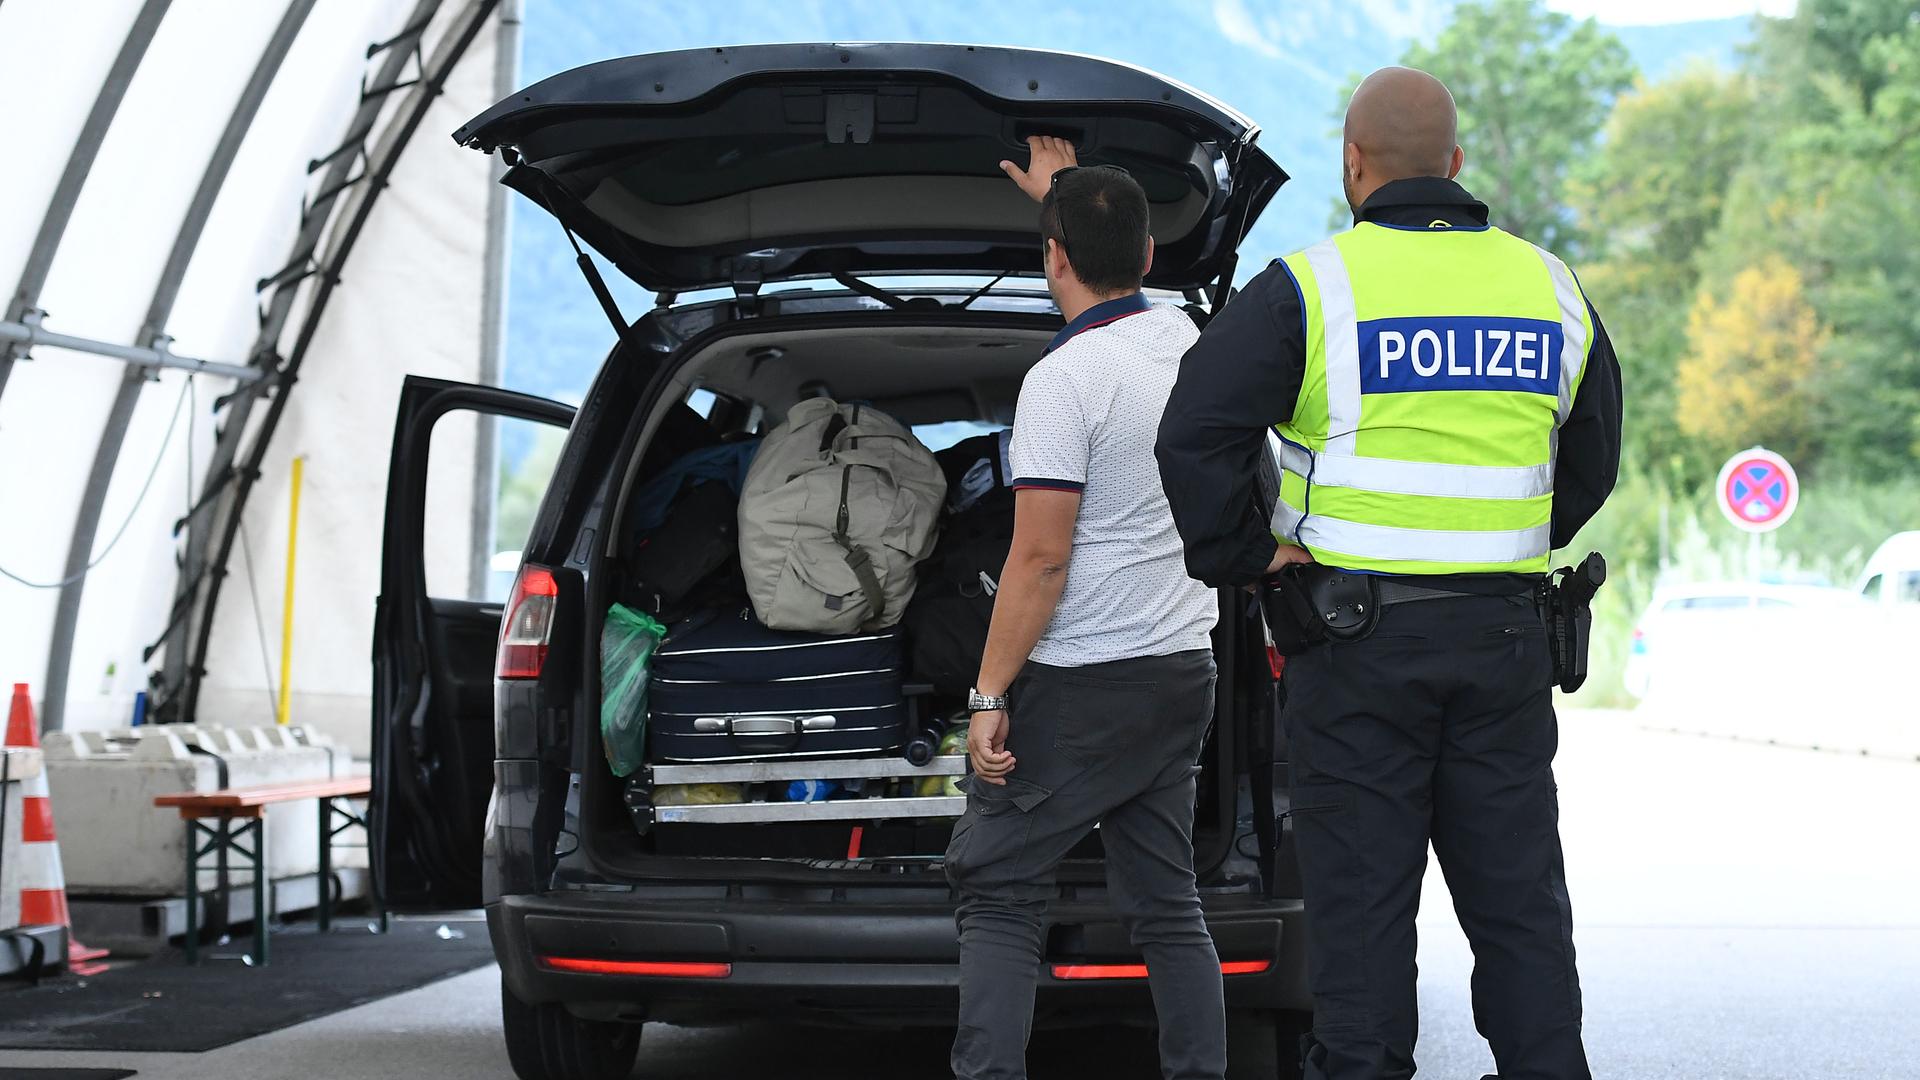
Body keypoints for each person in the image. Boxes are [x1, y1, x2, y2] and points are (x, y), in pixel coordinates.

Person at [1155, 68, 1622, 1080]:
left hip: (1354, 648)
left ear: (1352, 165)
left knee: (1363, 928)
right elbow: (1590, 464)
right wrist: (1492, 545)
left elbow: (1193, 429)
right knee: (1521, 914)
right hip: (1505, 646)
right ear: (1455, 167)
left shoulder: (1313, 289)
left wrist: (1248, 553)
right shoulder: (1549, 287)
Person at [945, 136, 1226, 1080]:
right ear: (1148, 257)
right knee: (1166, 903)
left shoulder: (1061, 383)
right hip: (1181, 672)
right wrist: (1062, 193)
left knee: (995, 885)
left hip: (1087, 681)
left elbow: (1038, 559)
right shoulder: (1187, 341)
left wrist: (988, 696)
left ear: (1051, 258)